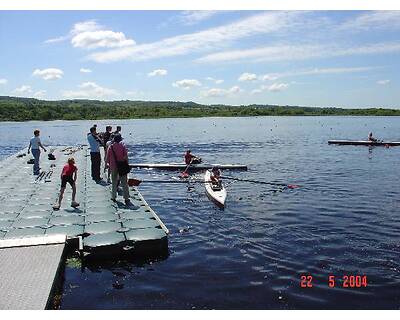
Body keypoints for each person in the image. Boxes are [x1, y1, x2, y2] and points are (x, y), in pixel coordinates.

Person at [106, 134, 131, 205]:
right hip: (122, 166)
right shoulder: (123, 146)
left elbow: (107, 157)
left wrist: (106, 165)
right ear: (120, 140)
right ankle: (126, 198)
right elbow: (125, 156)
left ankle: (113, 197)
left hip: (113, 166)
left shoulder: (111, 147)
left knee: (114, 182)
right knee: (124, 183)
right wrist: (127, 164)